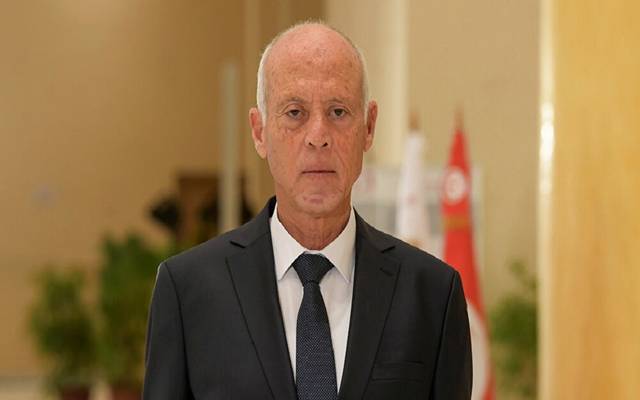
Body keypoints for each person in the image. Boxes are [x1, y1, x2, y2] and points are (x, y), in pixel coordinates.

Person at [143, 21, 472, 400]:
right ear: (259, 131)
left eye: (338, 111)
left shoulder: (432, 294)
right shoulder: (187, 291)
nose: (318, 136)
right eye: (295, 112)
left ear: (368, 127)